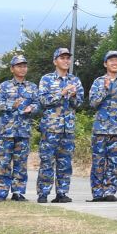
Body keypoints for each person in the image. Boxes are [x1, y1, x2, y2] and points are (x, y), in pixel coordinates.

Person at [37, 46, 83, 203]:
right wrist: (61, 93)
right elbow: (43, 100)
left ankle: (62, 193)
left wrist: (74, 95)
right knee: (47, 161)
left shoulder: (75, 80)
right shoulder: (47, 79)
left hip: (67, 128)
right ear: (55, 61)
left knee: (65, 163)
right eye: (62, 58)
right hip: (51, 128)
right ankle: (43, 193)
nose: (66, 61)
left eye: (68, 58)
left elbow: (79, 103)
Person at [0, 52, 39, 201]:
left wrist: (32, 109)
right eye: (19, 66)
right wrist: (13, 104)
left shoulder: (31, 87)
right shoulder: (4, 86)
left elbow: (38, 104)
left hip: (23, 131)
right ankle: (1, 192)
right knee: (4, 162)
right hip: (7, 131)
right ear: (12, 69)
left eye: (24, 66)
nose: (22, 69)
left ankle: (18, 192)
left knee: (21, 163)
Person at [87, 50, 117, 202]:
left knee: (114, 162)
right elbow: (92, 103)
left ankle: (110, 191)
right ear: (105, 64)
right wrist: (105, 89)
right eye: (111, 60)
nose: (115, 63)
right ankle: (97, 193)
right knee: (98, 161)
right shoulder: (98, 81)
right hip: (101, 128)